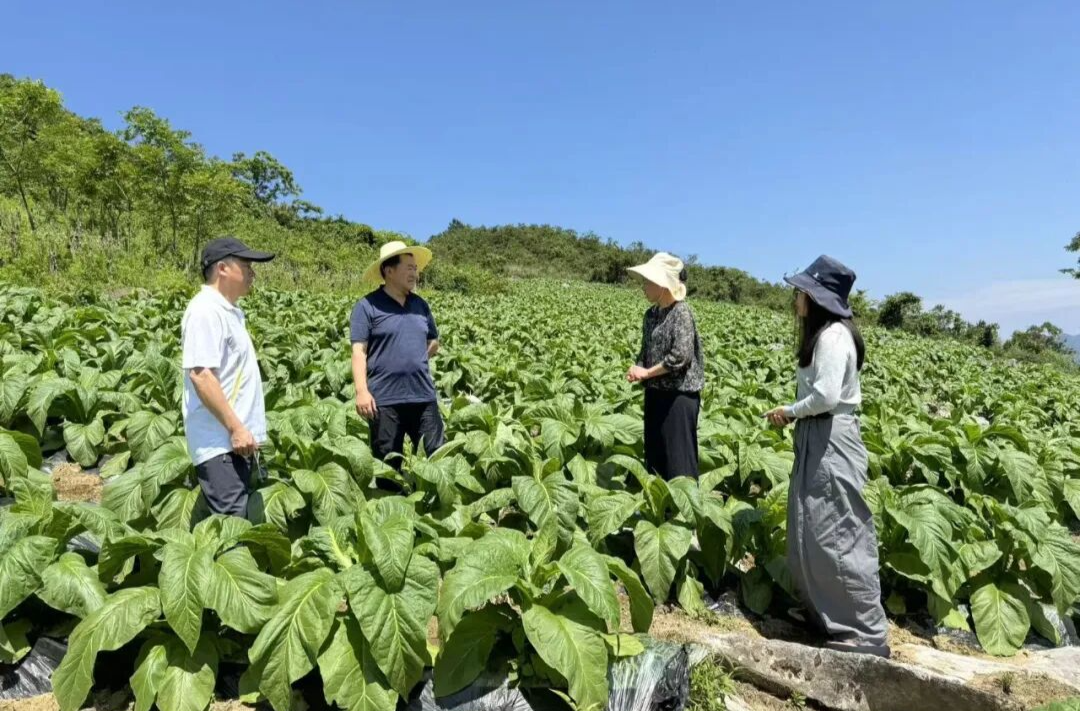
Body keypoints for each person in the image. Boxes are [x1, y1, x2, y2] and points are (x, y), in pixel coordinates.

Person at [764, 255, 890, 658]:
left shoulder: (834, 337)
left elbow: (826, 398)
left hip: (831, 436)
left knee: (839, 530)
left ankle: (867, 632)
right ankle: (824, 615)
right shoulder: (825, 334)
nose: (795, 298)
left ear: (816, 298)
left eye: (800, 291)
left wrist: (788, 411)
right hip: (817, 434)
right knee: (810, 527)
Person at [181, 236, 275, 517]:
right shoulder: (204, 310)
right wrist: (236, 428)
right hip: (221, 444)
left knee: (239, 529)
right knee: (233, 536)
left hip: (235, 445)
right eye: (246, 265)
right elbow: (201, 376)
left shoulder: (228, 312)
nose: (252, 273)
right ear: (223, 268)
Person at [351, 241, 445, 470]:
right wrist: (362, 391)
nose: (415, 273)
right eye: (409, 267)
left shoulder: (420, 305)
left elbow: (433, 342)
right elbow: (358, 351)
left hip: (423, 396)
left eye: (416, 268)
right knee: (387, 466)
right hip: (384, 399)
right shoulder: (367, 306)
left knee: (439, 460)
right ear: (389, 271)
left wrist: (416, 359)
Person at [626, 252, 705, 480]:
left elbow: (681, 357)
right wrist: (637, 367)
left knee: (678, 461)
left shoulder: (681, 312)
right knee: (655, 455)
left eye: (648, 282)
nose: (644, 288)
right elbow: (646, 351)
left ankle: (685, 513)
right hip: (655, 394)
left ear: (662, 285)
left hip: (678, 398)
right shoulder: (650, 315)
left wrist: (647, 373)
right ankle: (660, 512)